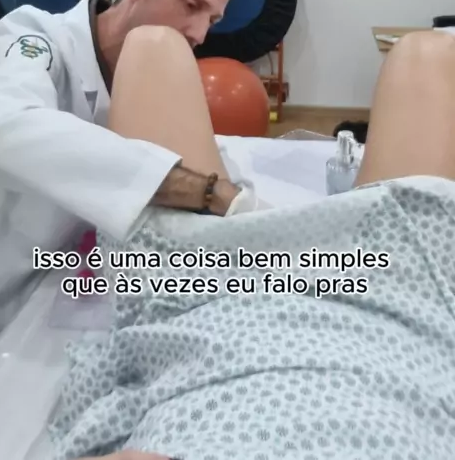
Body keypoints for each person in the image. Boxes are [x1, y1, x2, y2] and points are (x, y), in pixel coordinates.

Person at [52, 27, 455, 460]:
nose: (202, 28)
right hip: (392, 309)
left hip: (199, 305)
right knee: (430, 51)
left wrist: (214, 196)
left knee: (152, 45)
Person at [0, 0, 245, 363]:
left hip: (74, 280)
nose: (199, 34)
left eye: (211, 20)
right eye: (191, 5)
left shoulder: (155, 73)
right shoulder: (34, 37)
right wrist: (194, 188)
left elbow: (201, 158)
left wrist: (241, 201)